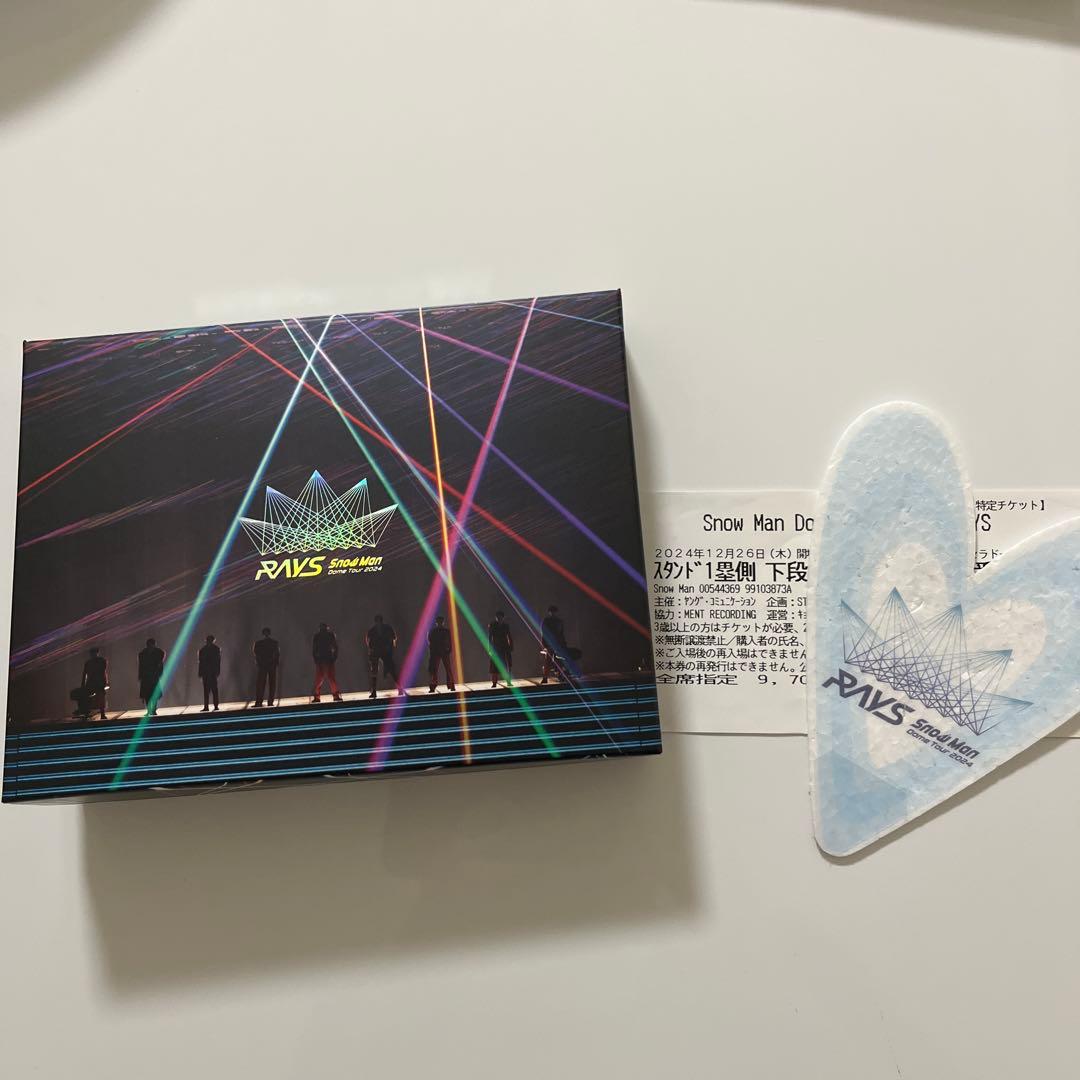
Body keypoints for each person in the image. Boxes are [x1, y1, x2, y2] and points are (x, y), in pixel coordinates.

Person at [366, 614, 402, 698]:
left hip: (384, 651)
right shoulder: (373, 630)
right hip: (377, 651)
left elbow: (393, 638)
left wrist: (390, 648)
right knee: (374, 672)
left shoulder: (386, 628)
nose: (378, 623)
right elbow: (368, 641)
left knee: (392, 670)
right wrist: (372, 650)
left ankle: (400, 688)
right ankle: (374, 691)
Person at [312, 622, 342, 702]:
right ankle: (335, 696)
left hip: (324, 659)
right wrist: (334, 657)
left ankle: (317, 697)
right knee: (328, 678)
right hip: (326, 659)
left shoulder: (318, 636)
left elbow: (314, 649)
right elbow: (335, 647)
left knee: (321, 679)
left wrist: (316, 658)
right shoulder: (329, 635)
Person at [252, 627, 280, 708]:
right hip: (271, 665)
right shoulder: (274, 643)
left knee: (261, 684)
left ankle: (259, 702)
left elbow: (256, 654)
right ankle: (270, 702)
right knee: (272, 684)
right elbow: (277, 654)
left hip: (263, 666)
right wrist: (275, 663)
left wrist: (259, 663)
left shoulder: (258, 643)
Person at [137, 637, 166, 714]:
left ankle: (153, 709)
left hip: (154, 676)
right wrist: (140, 675)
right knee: (147, 695)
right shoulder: (143, 654)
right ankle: (149, 710)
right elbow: (141, 666)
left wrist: (159, 673)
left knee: (154, 694)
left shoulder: (158, 653)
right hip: (146, 677)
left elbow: (160, 664)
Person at [541, 605, 569, 683]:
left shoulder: (558, 621)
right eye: (552, 612)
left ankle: (558, 676)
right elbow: (544, 633)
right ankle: (546, 677)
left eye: (553, 612)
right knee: (549, 661)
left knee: (557, 661)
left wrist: (563, 643)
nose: (553, 613)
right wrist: (544, 644)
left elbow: (561, 633)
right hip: (552, 644)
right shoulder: (547, 621)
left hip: (556, 644)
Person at [427, 615, 455, 692]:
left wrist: (431, 651)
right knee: (446, 669)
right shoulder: (445, 631)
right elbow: (450, 641)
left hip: (437, 652)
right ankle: (451, 685)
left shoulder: (433, 631)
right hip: (443, 651)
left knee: (435, 670)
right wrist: (449, 649)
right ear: (443, 622)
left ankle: (433, 687)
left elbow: (429, 641)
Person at [487, 610, 513, 688]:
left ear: (503, 617)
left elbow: (509, 636)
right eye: (498, 617)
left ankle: (508, 681)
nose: (499, 618)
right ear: (496, 617)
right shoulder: (492, 625)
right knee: (494, 666)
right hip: (496, 647)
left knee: (507, 665)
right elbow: (490, 637)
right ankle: (494, 683)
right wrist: (490, 648)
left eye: (500, 617)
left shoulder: (506, 626)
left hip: (505, 647)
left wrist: (511, 646)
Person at [82, 647, 109, 721]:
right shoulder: (101, 661)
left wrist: (83, 684)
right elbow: (85, 674)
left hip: (95, 683)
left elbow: (103, 672)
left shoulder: (99, 661)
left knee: (98, 698)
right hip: (95, 683)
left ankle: (100, 714)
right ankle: (100, 714)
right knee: (97, 698)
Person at [197, 634, 221, 712]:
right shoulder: (216, 649)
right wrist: (217, 671)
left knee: (208, 690)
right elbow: (218, 661)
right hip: (210, 672)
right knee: (213, 690)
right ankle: (214, 706)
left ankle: (208, 706)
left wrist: (200, 673)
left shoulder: (203, 650)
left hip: (208, 673)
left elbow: (200, 662)